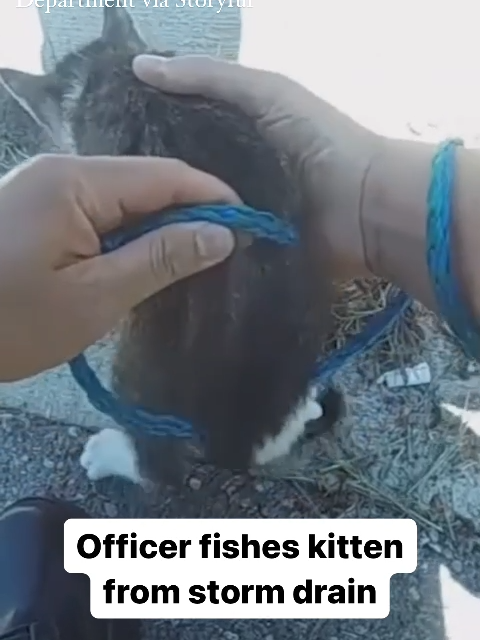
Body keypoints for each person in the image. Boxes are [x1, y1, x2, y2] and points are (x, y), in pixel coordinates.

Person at [0, 53, 478, 639]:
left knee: (164, 399)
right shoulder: (269, 213)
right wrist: (376, 196)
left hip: (232, 410)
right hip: (280, 381)